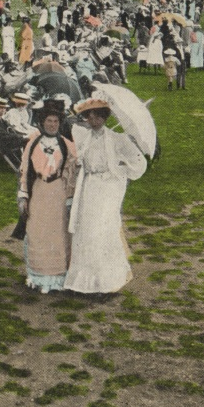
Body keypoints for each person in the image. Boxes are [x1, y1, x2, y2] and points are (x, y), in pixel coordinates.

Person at [64, 98, 147, 294]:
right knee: (84, 231)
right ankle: (83, 282)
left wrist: (120, 170)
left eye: (96, 115)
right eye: (89, 115)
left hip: (107, 188)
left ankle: (104, 282)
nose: (92, 119)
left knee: (101, 231)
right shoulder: (84, 137)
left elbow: (138, 162)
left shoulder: (118, 139)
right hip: (88, 187)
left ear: (104, 116)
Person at [18, 103, 78, 293]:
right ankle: (38, 276)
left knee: (58, 232)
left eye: (55, 121)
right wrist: (23, 195)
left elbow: (73, 170)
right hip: (39, 190)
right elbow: (25, 170)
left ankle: (58, 277)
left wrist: (70, 195)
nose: (52, 124)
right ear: (42, 123)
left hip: (58, 192)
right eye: (49, 121)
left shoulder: (67, 145)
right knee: (37, 230)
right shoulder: (33, 143)